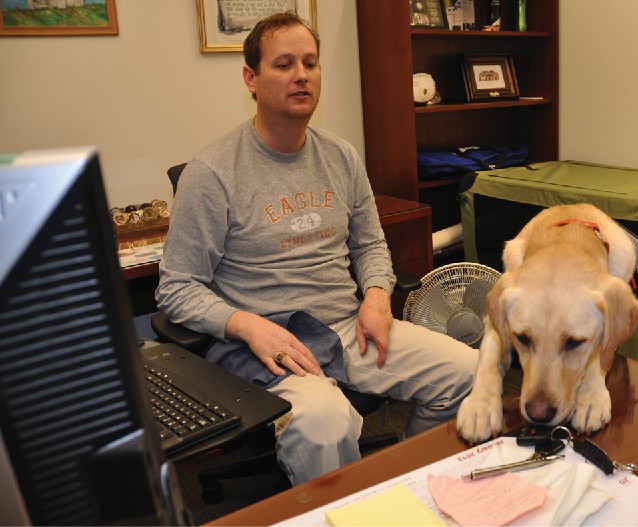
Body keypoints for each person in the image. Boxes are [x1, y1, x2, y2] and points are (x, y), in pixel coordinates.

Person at [155, 11, 478, 486]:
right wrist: (247, 326)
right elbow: (176, 288)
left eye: (310, 62)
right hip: (269, 347)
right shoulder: (213, 173)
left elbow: (370, 244)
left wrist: (374, 296)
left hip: (350, 330)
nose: (301, 74)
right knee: (325, 423)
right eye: (284, 64)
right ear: (251, 77)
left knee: (470, 371)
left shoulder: (341, 156)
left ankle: (408, 487)